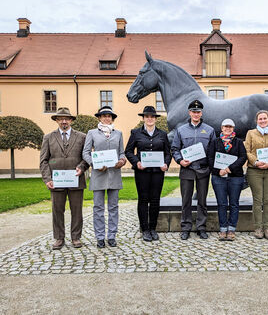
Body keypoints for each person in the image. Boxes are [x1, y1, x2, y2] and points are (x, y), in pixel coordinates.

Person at [40, 107, 90, 250]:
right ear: (56, 120)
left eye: (66, 119)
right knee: (57, 210)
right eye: (60, 119)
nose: (64, 121)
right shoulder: (48, 137)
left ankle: (76, 237)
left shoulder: (82, 137)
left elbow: (86, 157)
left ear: (71, 120)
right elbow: (44, 160)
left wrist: (82, 167)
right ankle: (59, 238)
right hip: (56, 181)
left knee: (77, 210)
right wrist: (47, 178)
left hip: (76, 179)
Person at [125, 106, 171, 242]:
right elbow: (128, 151)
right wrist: (136, 162)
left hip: (157, 172)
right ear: (143, 118)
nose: (150, 119)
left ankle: (153, 228)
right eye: (147, 116)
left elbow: (167, 153)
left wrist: (166, 164)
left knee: (155, 200)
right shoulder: (135, 133)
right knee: (143, 199)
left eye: (152, 116)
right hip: (142, 172)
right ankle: (144, 229)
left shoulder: (162, 134)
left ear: (155, 119)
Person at [82, 106, 126, 248]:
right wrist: (93, 164)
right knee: (98, 208)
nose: (107, 118)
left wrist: (122, 161)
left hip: (114, 175)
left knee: (113, 207)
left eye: (109, 116)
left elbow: (122, 153)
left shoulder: (118, 133)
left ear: (112, 118)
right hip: (98, 174)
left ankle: (112, 236)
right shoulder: (92, 133)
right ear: (99, 118)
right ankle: (100, 237)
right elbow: (86, 153)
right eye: (104, 116)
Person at [171, 99, 216, 240]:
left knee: (202, 201)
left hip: (203, 170)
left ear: (201, 113)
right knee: (186, 201)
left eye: (198, 112)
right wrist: (179, 160)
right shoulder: (181, 130)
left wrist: (210, 166)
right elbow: (175, 149)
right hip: (187, 169)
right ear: (189, 113)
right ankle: (186, 227)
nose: (196, 114)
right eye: (193, 112)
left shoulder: (209, 130)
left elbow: (213, 150)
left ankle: (201, 227)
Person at [207, 118, 247, 241]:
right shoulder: (215, 142)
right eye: (225, 127)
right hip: (219, 177)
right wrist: (218, 170)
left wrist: (229, 168)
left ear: (233, 129)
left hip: (235, 177)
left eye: (230, 127)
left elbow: (243, 157)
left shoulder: (239, 142)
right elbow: (210, 157)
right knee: (222, 204)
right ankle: (223, 229)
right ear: (222, 128)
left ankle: (232, 229)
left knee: (234, 204)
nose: (227, 129)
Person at [244, 110, 268, 240]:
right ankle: (258, 227)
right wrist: (256, 162)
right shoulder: (251, 133)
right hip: (255, 171)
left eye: (265, 118)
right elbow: (247, 150)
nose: (263, 121)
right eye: (260, 119)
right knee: (257, 200)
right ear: (257, 121)